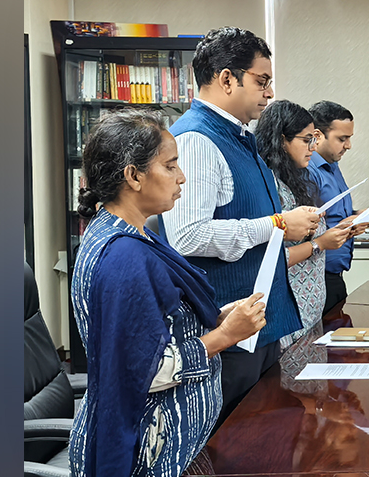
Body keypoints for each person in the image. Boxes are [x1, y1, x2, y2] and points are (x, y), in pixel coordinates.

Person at [69, 110, 266, 477]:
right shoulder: (123, 256)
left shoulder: (135, 234)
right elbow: (144, 369)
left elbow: (157, 324)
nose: (182, 177)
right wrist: (224, 336)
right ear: (134, 176)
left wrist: (220, 317)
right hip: (149, 454)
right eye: (171, 165)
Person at [161, 26, 319, 425]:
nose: (269, 93)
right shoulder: (197, 141)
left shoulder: (236, 136)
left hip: (255, 324)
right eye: (261, 81)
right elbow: (187, 235)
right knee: (236, 445)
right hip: (227, 327)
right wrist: (278, 223)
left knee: (269, 436)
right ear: (227, 78)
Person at [256, 100, 354, 350]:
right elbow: (273, 257)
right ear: (281, 140)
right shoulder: (269, 184)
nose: (313, 148)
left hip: (310, 304)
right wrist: (320, 243)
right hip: (290, 306)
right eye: (306, 140)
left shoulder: (294, 179)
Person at [305, 100, 369, 314]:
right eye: (342, 139)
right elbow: (301, 228)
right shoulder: (307, 170)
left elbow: (331, 215)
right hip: (315, 277)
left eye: (349, 138)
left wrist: (355, 217)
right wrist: (345, 225)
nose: (348, 145)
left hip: (335, 277)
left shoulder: (332, 166)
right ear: (317, 135)